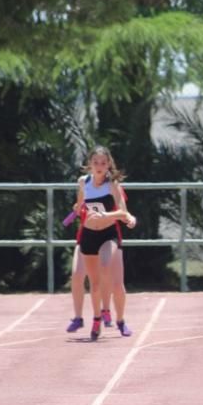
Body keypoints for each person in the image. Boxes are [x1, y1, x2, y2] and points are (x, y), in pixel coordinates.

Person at [74, 146, 136, 341]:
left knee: (106, 265)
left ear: (109, 164)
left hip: (108, 234)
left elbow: (123, 213)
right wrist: (79, 210)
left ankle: (120, 319)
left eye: (103, 163)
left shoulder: (113, 185)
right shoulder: (83, 183)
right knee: (94, 284)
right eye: (96, 163)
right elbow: (80, 208)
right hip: (89, 235)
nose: (99, 166)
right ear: (89, 164)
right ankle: (97, 318)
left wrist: (107, 215)